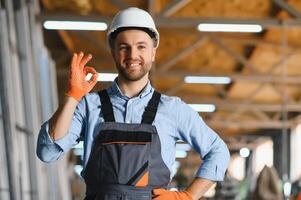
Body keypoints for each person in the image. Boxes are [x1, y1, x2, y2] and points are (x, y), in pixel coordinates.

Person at [36, 7, 230, 200]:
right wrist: (72, 97)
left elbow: (218, 151)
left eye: (141, 46)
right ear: (113, 52)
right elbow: (47, 152)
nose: (132, 54)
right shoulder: (88, 106)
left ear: (153, 53)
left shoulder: (173, 109)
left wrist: (187, 196)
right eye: (124, 47)